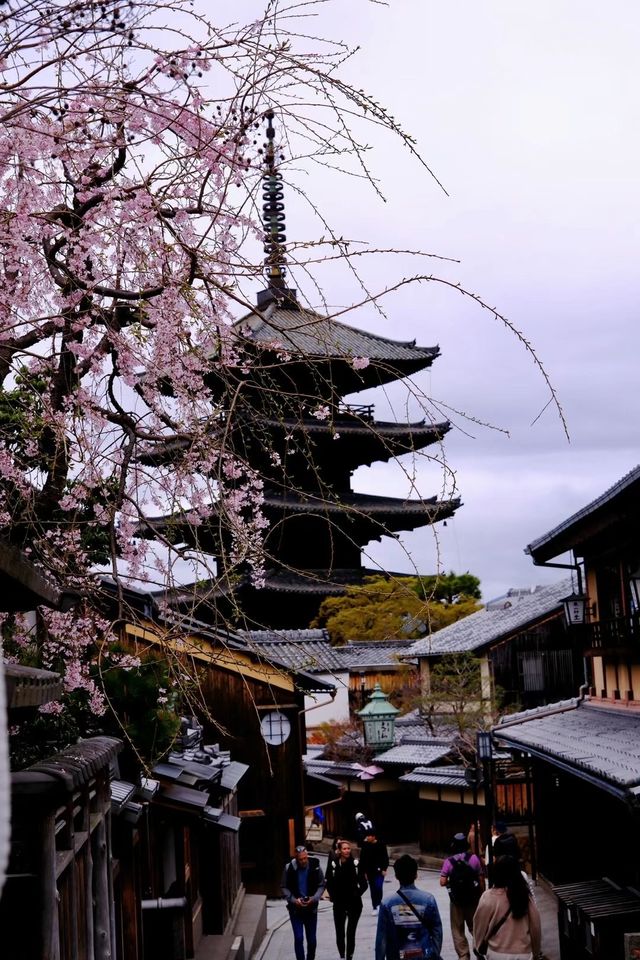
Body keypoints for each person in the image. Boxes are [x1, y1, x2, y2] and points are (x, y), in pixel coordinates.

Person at [473, 855, 542, 960]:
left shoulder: (488, 897)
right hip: (523, 953)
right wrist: (536, 951)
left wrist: (478, 946)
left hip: (496, 953)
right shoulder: (524, 896)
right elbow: (535, 926)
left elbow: (479, 924)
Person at [375, 853, 443, 960]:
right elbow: (437, 930)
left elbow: (381, 938)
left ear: (396, 876)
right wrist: (435, 952)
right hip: (424, 955)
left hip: (396, 955)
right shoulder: (428, 899)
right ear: (416, 875)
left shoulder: (387, 903)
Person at [440, 832, 484, 960]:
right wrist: (481, 894)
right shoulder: (474, 858)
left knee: (457, 930)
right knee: (475, 926)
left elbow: (442, 882)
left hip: (456, 901)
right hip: (472, 899)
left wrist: (452, 881)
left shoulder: (449, 862)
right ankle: (479, 949)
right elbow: (481, 878)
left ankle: (464, 955)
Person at [281, 844, 326, 960]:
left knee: (312, 940)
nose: (303, 861)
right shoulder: (289, 868)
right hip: (296, 909)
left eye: (305, 858)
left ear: (307, 856)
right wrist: (293, 900)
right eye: (300, 859)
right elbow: (284, 887)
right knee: (299, 937)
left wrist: (314, 898)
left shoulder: (315, 866)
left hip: (311, 908)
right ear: (296, 858)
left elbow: (321, 885)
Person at [326, 839, 367, 960]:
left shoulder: (355, 864)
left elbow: (364, 884)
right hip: (339, 903)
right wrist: (332, 896)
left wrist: (357, 893)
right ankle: (342, 955)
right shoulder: (334, 864)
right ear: (339, 850)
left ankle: (350, 956)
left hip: (354, 903)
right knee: (339, 932)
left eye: (348, 848)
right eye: (344, 848)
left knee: (350, 932)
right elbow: (328, 881)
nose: (347, 850)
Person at [360, 828, 390, 914]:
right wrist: (364, 872)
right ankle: (374, 906)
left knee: (378, 886)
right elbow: (363, 860)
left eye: (369, 836)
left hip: (380, 870)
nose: (367, 838)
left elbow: (385, 857)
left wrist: (384, 868)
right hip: (369, 871)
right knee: (372, 888)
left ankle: (379, 903)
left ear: (373, 837)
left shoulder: (381, 844)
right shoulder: (365, 846)